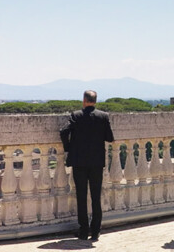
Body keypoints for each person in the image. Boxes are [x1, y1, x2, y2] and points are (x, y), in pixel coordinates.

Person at [59, 90, 114, 241]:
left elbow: (63, 132)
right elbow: (110, 137)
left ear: (84, 100)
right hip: (96, 161)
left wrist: (69, 147)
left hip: (79, 161)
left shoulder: (76, 115)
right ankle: (96, 231)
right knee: (96, 197)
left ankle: (84, 231)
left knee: (81, 196)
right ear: (95, 101)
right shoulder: (103, 116)